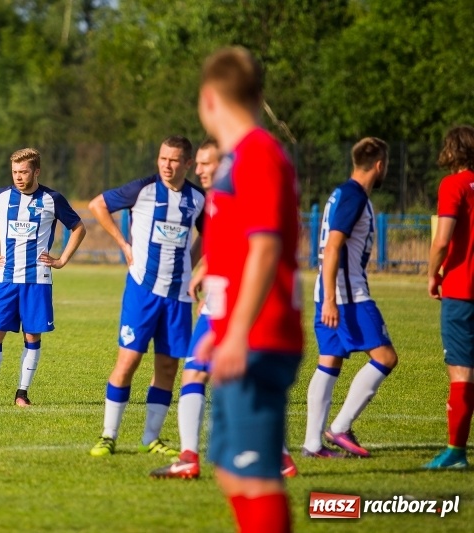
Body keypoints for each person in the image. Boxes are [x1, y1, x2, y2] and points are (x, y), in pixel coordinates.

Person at [194, 47, 303, 533]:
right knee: (230, 471)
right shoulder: (237, 160)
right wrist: (220, 329)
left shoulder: (258, 154)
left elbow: (265, 249)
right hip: (239, 335)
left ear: (209, 98)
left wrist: (236, 332)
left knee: (255, 476)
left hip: (259, 339)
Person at [149, 139, 299, 479]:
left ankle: (193, 457)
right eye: (198, 164)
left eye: (206, 163)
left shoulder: (236, 196)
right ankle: (278, 457)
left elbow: (254, 250)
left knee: (205, 373)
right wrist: (206, 275)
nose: (199, 170)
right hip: (220, 299)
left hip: (235, 302)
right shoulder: (216, 199)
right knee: (216, 375)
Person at [88, 135, 205, 457]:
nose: (167, 165)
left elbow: (211, 235)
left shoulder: (198, 198)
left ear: (187, 164)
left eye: (174, 160)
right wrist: (123, 245)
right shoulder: (143, 189)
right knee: (128, 361)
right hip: (142, 290)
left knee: (168, 367)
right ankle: (108, 435)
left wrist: (191, 265)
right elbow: (97, 205)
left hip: (178, 296)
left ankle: (151, 438)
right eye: (162, 158)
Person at [0, 148, 86, 408]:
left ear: (36, 171)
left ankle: (22, 393)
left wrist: (62, 259)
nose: (18, 177)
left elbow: (78, 227)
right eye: (15, 172)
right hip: (5, 279)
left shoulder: (52, 199)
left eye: (24, 172)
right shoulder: (1, 197)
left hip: (37, 280)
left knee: (32, 336)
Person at [302, 137, 398, 459]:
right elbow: (332, 247)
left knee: (329, 361)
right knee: (385, 357)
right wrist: (331, 298)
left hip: (330, 293)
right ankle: (340, 427)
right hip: (347, 296)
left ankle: (313, 444)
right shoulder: (354, 196)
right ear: (380, 165)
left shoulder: (341, 192)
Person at [423, 125, 474, 469]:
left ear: (452, 151)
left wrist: (432, 273)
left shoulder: (453, 185)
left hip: (462, 289)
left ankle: (455, 452)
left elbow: (442, 240)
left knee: (462, 372)